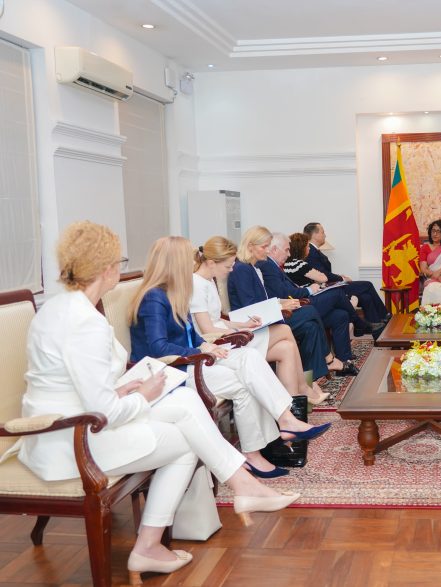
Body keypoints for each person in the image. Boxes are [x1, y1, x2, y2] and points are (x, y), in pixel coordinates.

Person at [8, 221, 300, 584]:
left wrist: (125, 390)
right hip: (72, 442)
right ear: (105, 268)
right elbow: (105, 412)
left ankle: (239, 487)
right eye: (118, 262)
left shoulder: (60, 307)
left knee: (186, 402)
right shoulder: (84, 322)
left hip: (71, 424)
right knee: (187, 440)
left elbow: (73, 384)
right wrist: (141, 394)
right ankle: (160, 537)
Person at [129, 236, 332, 480]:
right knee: (244, 383)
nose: (193, 263)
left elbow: (189, 334)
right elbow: (158, 347)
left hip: (191, 360)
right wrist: (201, 350)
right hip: (172, 372)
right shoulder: (154, 297)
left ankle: (284, 421)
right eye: (187, 260)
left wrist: (205, 344)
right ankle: (260, 447)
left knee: (249, 356)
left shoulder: (172, 293)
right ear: (175, 263)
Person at [191, 236, 329, 405]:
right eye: (228, 266)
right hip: (219, 342)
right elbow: (207, 330)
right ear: (212, 263)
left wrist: (243, 324)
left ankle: (294, 405)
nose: (232, 270)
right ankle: (303, 387)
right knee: (284, 330)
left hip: (226, 335)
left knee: (286, 348)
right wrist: (239, 331)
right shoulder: (197, 285)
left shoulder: (208, 281)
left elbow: (217, 319)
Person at [228, 226, 354, 378]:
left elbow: (263, 300)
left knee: (310, 327)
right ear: (250, 246)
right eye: (264, 247)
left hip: (265, 317)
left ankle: (309, 381)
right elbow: (251, 307)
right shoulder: (242, 269)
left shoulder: (252, 268)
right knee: (310, 310)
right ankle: (329, 358)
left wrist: (282, 303)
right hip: (255, 324)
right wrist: (279, 306)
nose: (268, 251)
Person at [261, 233, 382, 365]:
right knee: (337, 293)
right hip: (299, 306)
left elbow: (287, 289)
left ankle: (344, 360)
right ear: (274, 249)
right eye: (286, 250)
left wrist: (307, 289)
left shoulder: (276, 265)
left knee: (340, 315)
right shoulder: (268, 266)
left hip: (300, 302)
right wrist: (309, 289)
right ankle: (359, 323)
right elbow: (284, 293)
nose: (288, 254)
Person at [303, 221, 390, 322]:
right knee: (368, 285)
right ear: (314, 235)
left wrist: (339, 277)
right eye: (322, 232)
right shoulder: (311, 252)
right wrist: (342, 278)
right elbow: (323, 274)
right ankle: (385, 315)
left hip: (331, 285)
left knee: (366, 297)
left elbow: (323, 272)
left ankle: (377, 326)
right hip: (328, 290)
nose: (325, 235)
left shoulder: (314, 251)